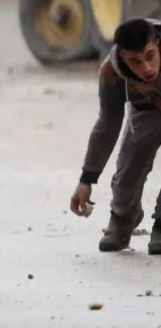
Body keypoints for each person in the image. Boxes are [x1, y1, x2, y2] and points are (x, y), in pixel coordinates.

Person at [69, 18, 161, 255]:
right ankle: (123, 218)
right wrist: (87, 179)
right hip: (147, 111)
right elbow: (107, 125)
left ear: (157, 44)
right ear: (123, 56)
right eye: (135, 62)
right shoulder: (112, 74)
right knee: (127, 175)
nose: (146, 68)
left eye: (150, 56)